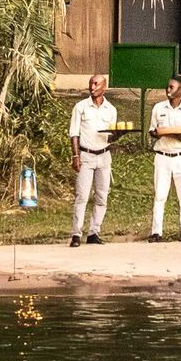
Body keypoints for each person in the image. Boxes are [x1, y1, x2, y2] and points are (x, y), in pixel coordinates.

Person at [65, 74, 118, 247]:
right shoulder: (81, 107)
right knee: (82, 195)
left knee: (102, 196)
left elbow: (110, 136)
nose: (92, 87)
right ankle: (76, 233)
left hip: (104, 156)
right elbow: (74, 133)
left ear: (104, 87)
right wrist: (75, 156)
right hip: (86, 155)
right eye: (91, 84)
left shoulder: (110, 110)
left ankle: (94, 231)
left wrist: (117, 135)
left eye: (96, 84)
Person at [146, 85, 181, 239]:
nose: (168, 90)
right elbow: (152, 130)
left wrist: (177, 136)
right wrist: (157, 133)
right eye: (167, 87)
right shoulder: (158, 108)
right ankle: (156, 232)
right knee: (160, 195)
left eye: (172, 87)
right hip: (162, 156)